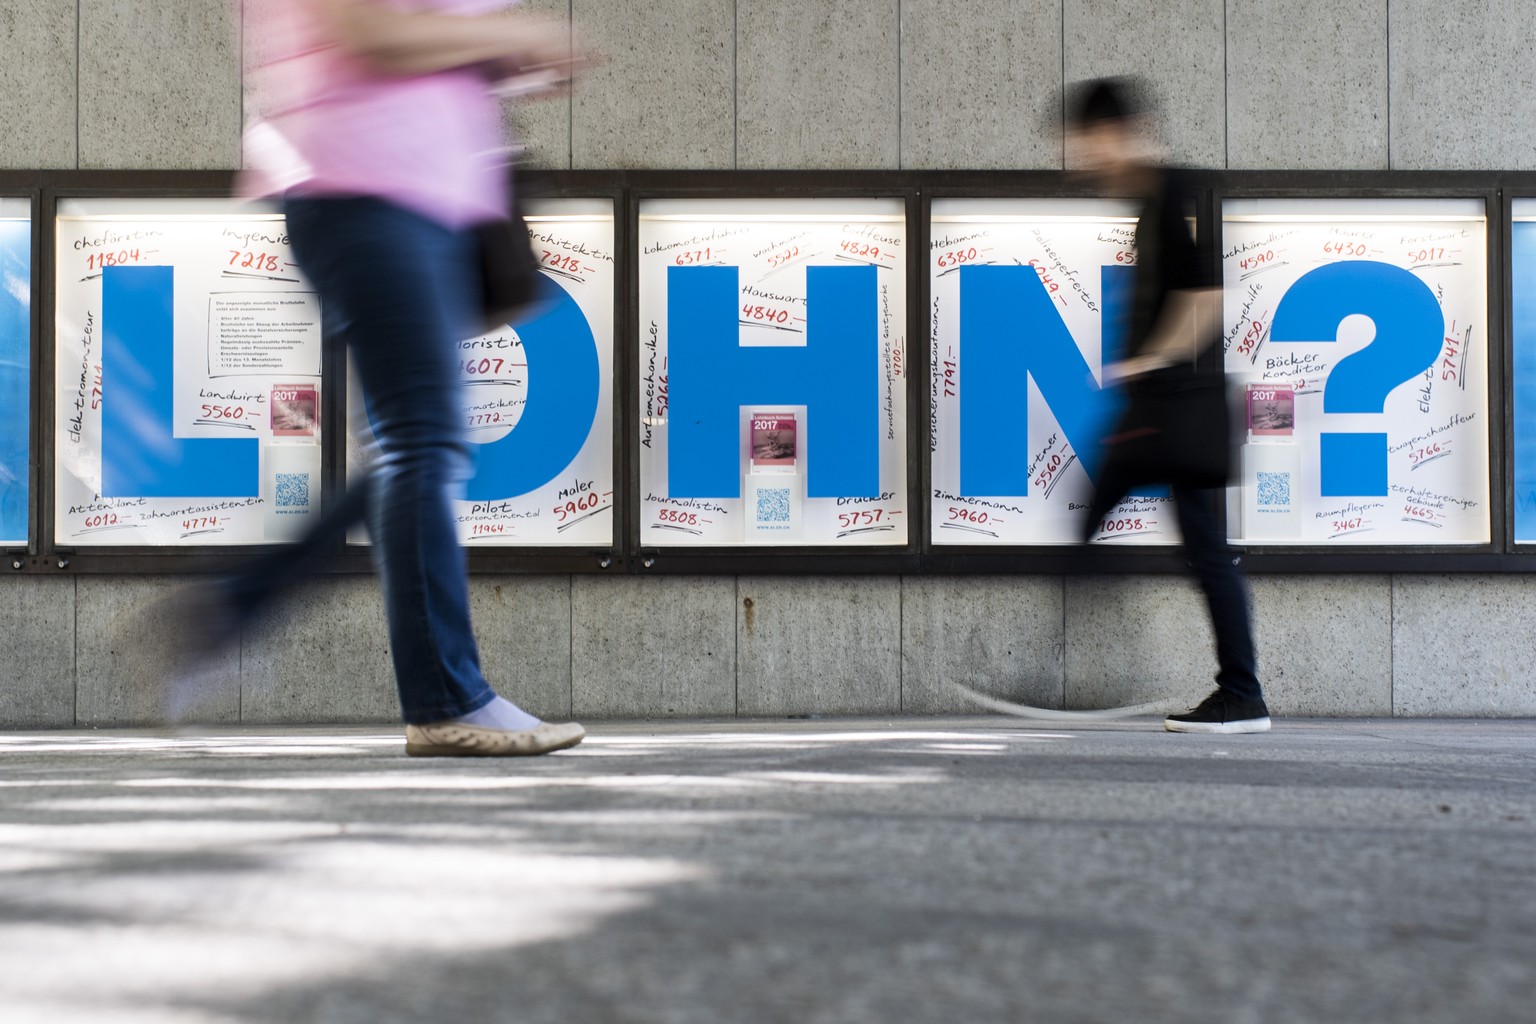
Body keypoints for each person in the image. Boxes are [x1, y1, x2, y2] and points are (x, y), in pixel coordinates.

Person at [196, 0, 591, 755]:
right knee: (423, 443)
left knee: (415, 444)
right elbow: (371, 36)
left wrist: (499, 63)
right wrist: (513, 34)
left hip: (423, 203)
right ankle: (446, 699)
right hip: (366, 195)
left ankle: (235, 600)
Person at [1067, 78, 1271, 735]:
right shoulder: (1152, 202)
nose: (1082, 156)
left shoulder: (1169, 195)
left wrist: (1148, 358)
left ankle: (1238, 693)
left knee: (1104, 520)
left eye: (1087, 140)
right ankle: (1240, 691)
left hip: (1170, 410)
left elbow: (1208, 299)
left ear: (1116, 133)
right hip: (1164, 410)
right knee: (1203, 548)